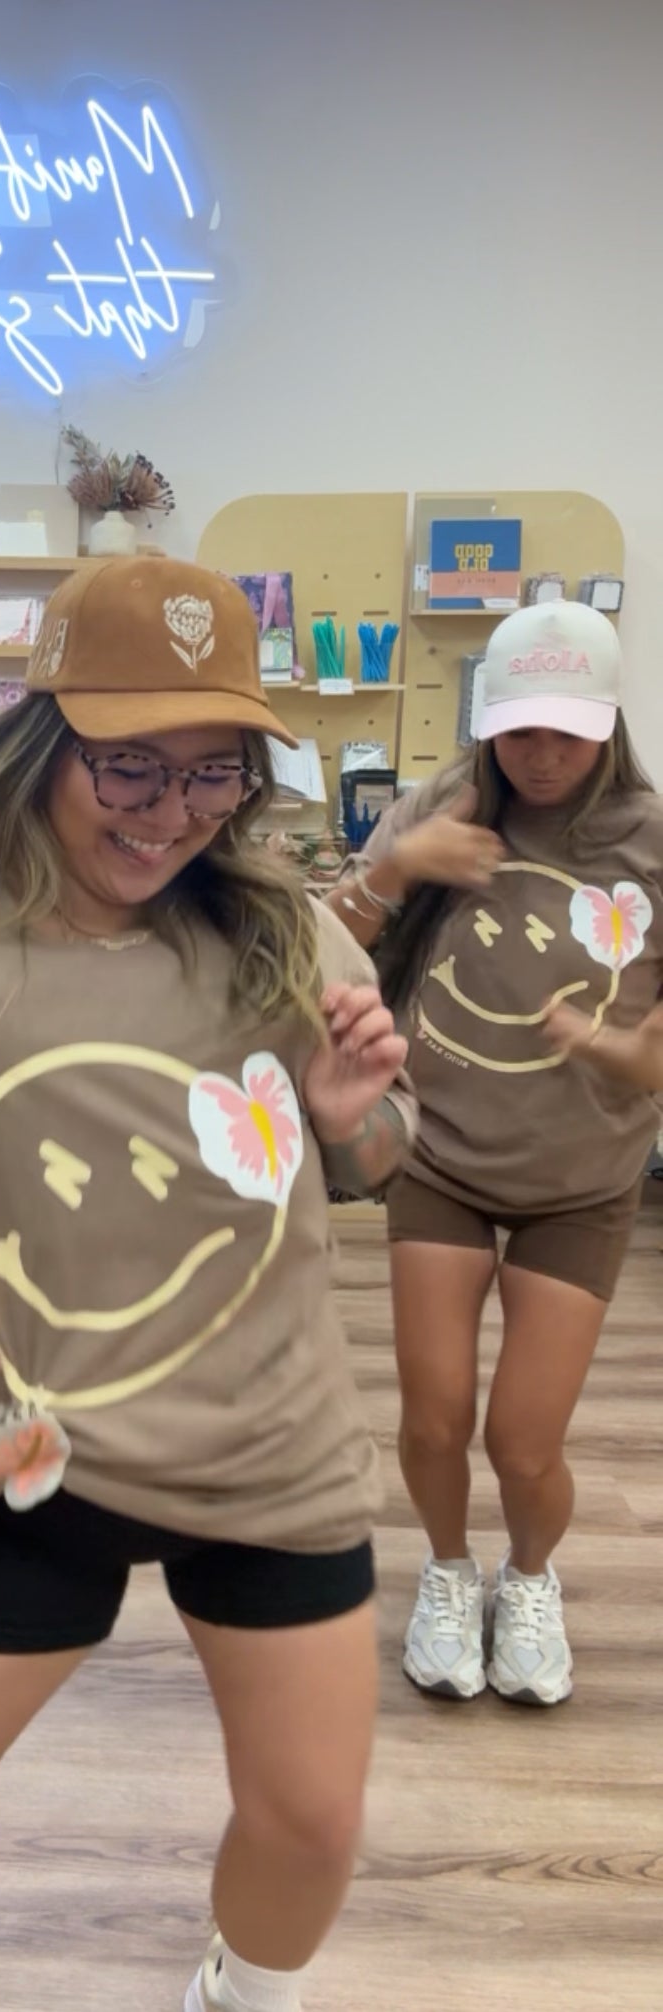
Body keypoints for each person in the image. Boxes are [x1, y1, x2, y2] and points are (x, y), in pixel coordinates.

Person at [0, 556, 415, 2012]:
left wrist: (349, 1114)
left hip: (265, 1446)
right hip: (18, 1450)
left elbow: (374, 1162)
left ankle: (245, 1993)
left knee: (312, 1821)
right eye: (129, 765)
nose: (170, 811)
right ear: (44, 742)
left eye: (212, 771)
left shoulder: (285, 928)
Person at [328, 598, 663, 1706]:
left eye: (568, 730)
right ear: (489, 723)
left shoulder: (649, 841)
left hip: (584, 1182)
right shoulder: (446, 804)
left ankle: (528, 1578)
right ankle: (446, 1570)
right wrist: (398, 866)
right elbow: (320, 950)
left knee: (524, 1442)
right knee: (433, 1416)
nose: (544, 754)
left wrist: (631, 1056)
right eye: (521, 730)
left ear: (609, 722)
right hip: (443, 1157)